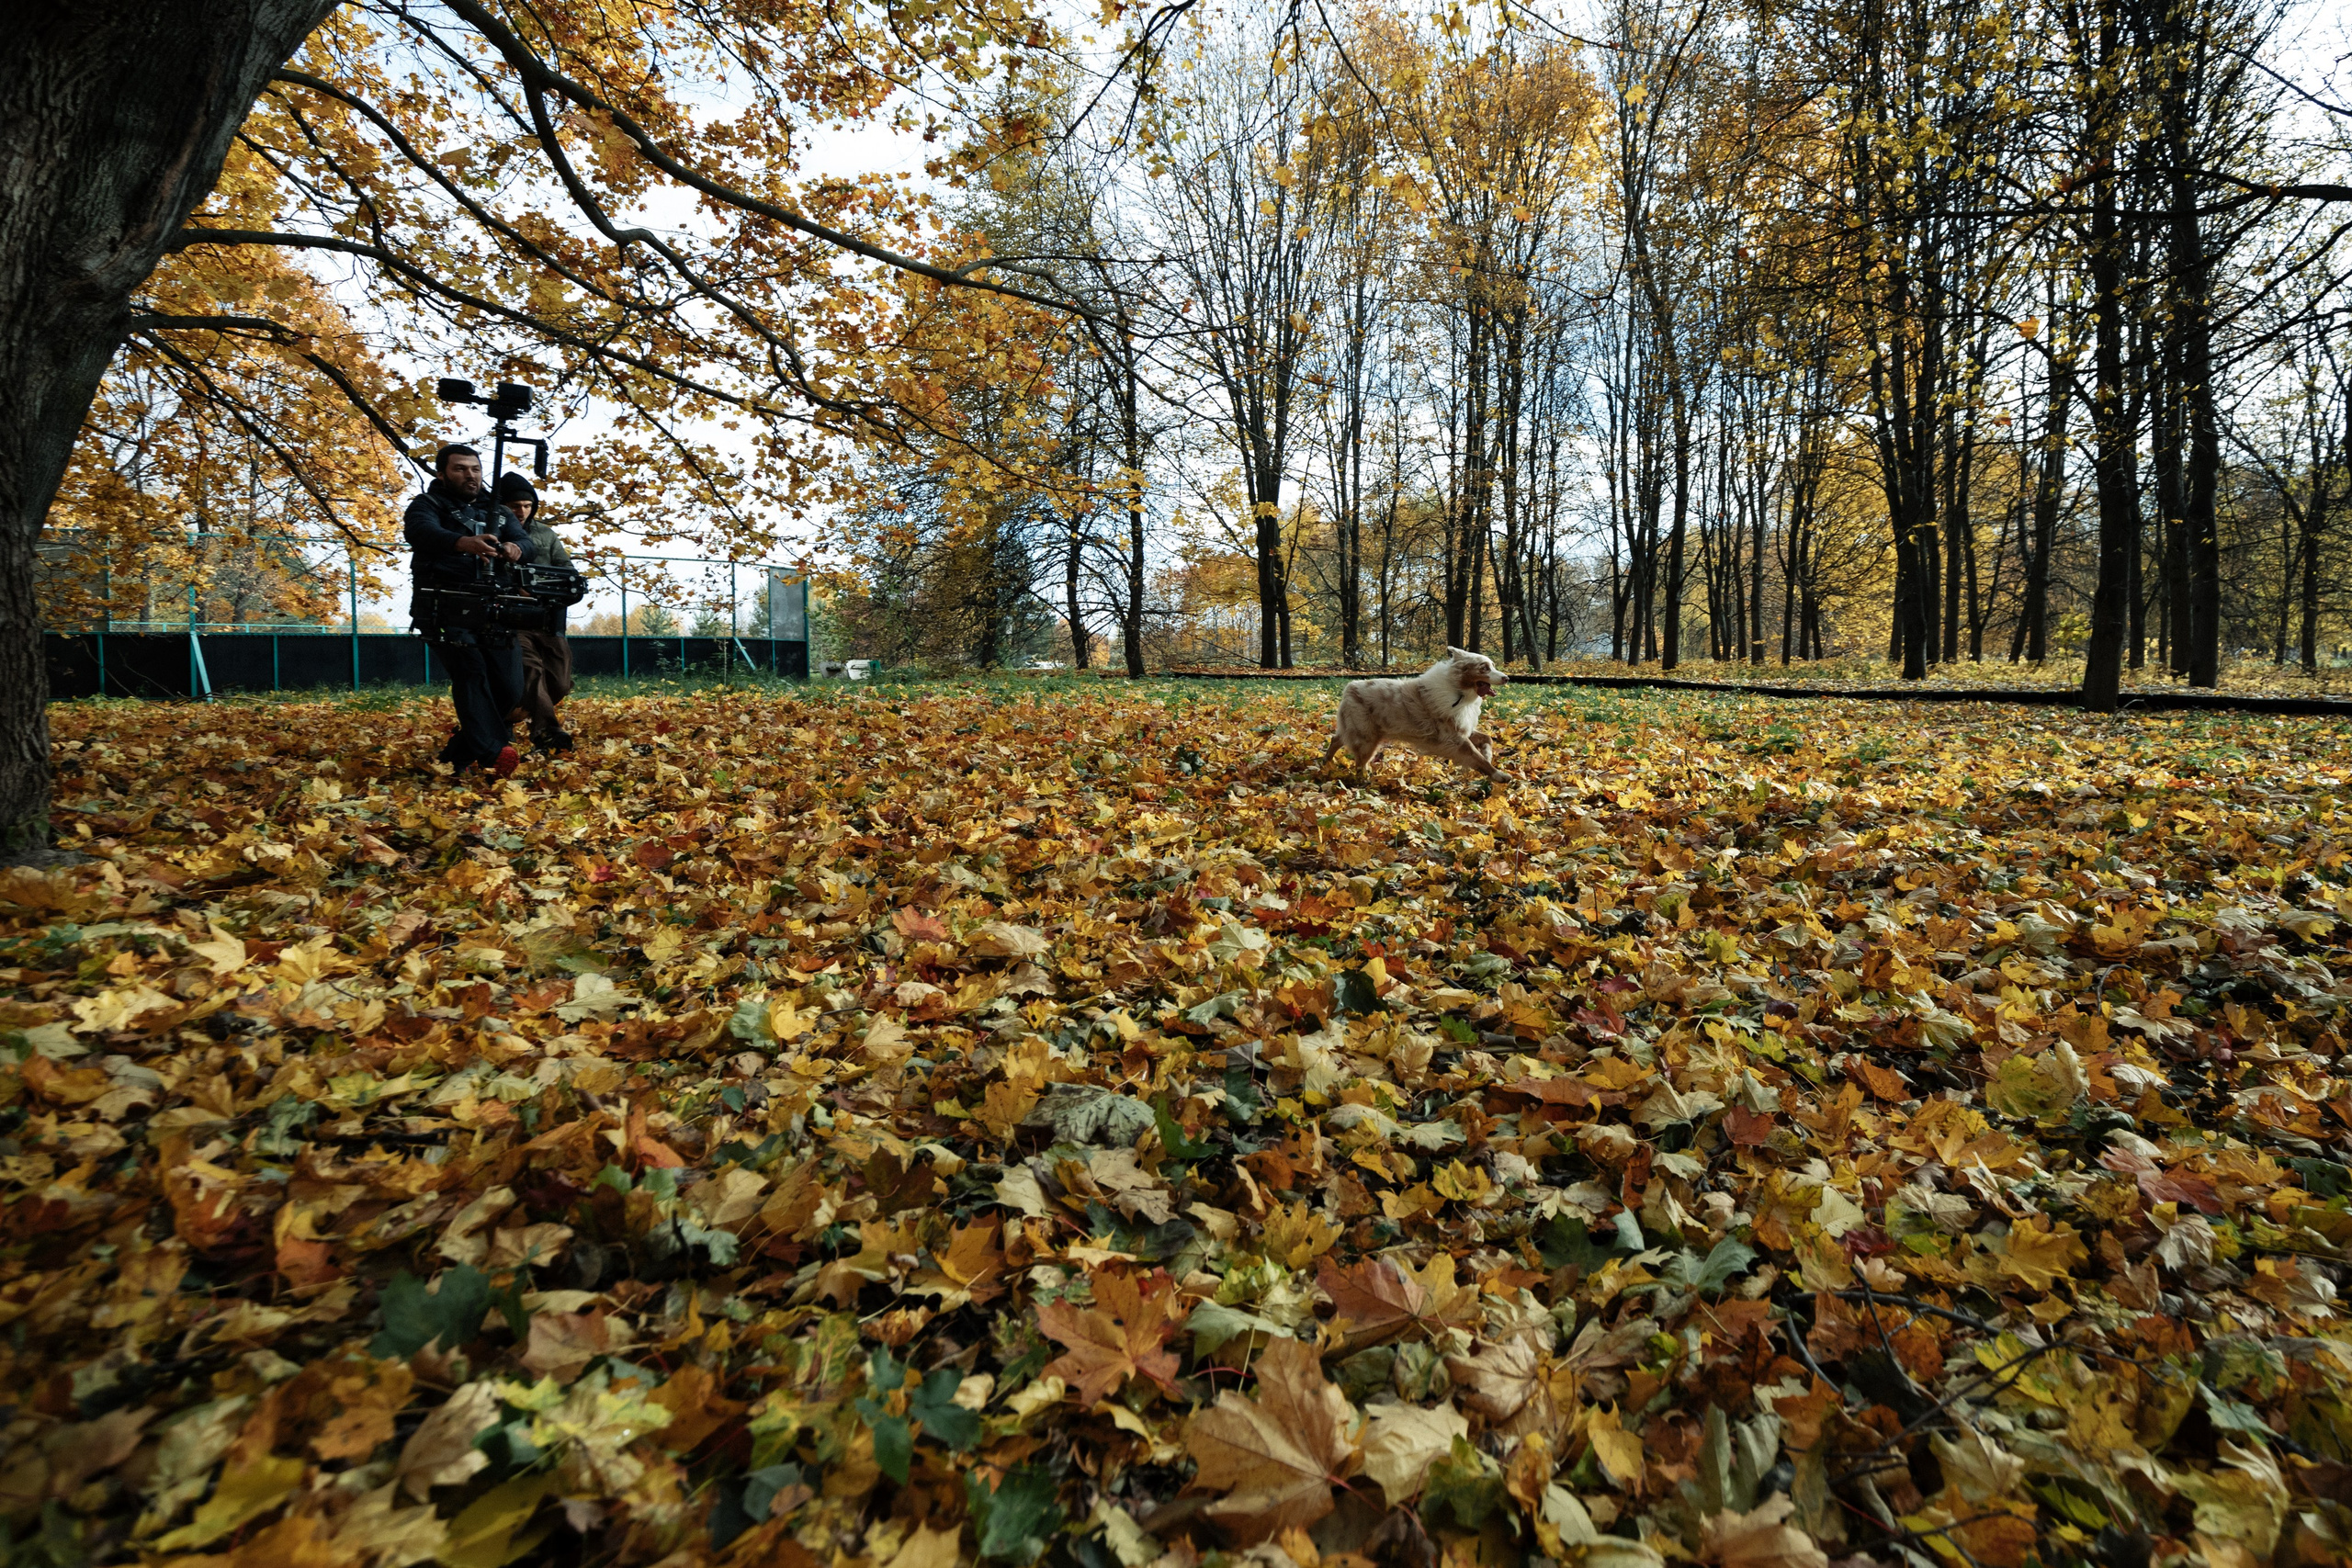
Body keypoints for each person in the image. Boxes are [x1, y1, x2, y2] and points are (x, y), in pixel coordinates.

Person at [405, 445, 535, 777]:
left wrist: (515, 547)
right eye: (460, 469)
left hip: (496, 608)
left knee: (509, 687)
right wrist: (463, 543)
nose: (470, 475)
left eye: (475, 469)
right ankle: (494, 751)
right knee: (471, 674)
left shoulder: (498, 512)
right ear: (442, 473)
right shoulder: (426, 505)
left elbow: (527, 542)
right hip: (445, 608)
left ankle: (456, 755)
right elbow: (420, 532)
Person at [494, 471, 575, 752]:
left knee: (560, 683)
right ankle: (548, 733)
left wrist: (541, 589)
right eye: (515, 506)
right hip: (511, 620)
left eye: (527, 506)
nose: (522, 512)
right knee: (531, 671)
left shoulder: (546, 534)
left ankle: (506, 716)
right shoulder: (492, 532)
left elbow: (566, 571)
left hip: (548, 618)